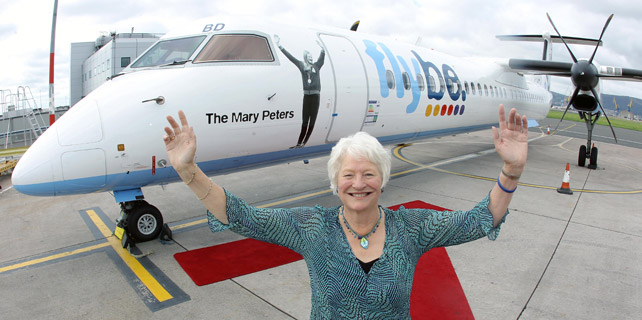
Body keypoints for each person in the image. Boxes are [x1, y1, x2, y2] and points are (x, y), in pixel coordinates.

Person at [163, 104, 528, 319]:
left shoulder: (411, 228)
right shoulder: (311, 227)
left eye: (369, 173)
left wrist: (511, 171)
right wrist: (188, 172)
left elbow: (481, 220)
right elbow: (240, 215)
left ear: (382, 180)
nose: (358, 183)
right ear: (335, 183)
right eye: (348, 175)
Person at [274, 34, 325, 148]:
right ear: (305, 57)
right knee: (305, 121)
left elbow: (322, 58)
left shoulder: (317, 66)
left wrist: (322, 49)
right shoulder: (302, 66)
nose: (311, 58)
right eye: (309, 56)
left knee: (312, 121)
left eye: (312, 56)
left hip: (316, 96)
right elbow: (291, 58)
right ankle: (299, 143)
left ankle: (304, 143)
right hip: (306, 96)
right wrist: (280, 46)